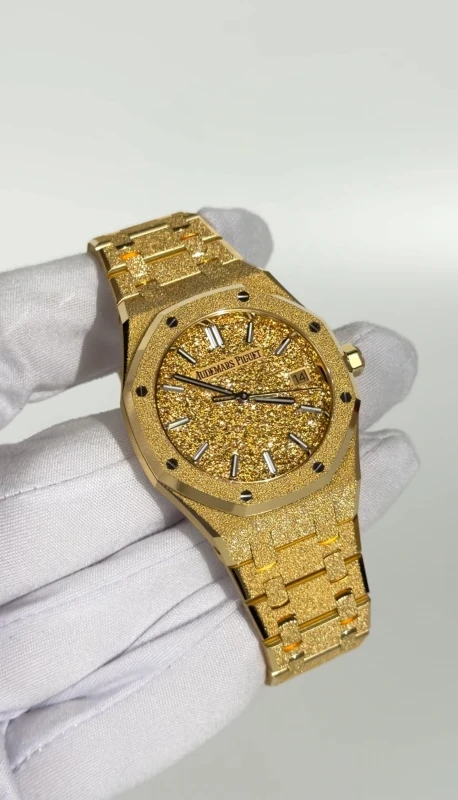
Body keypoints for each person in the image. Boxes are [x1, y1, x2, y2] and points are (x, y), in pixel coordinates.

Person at [0, 208, 418, 800]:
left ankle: (327, 619)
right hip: (229, 484)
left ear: (340, 360)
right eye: (233, 392)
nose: (244, 395)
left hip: (308, 470)